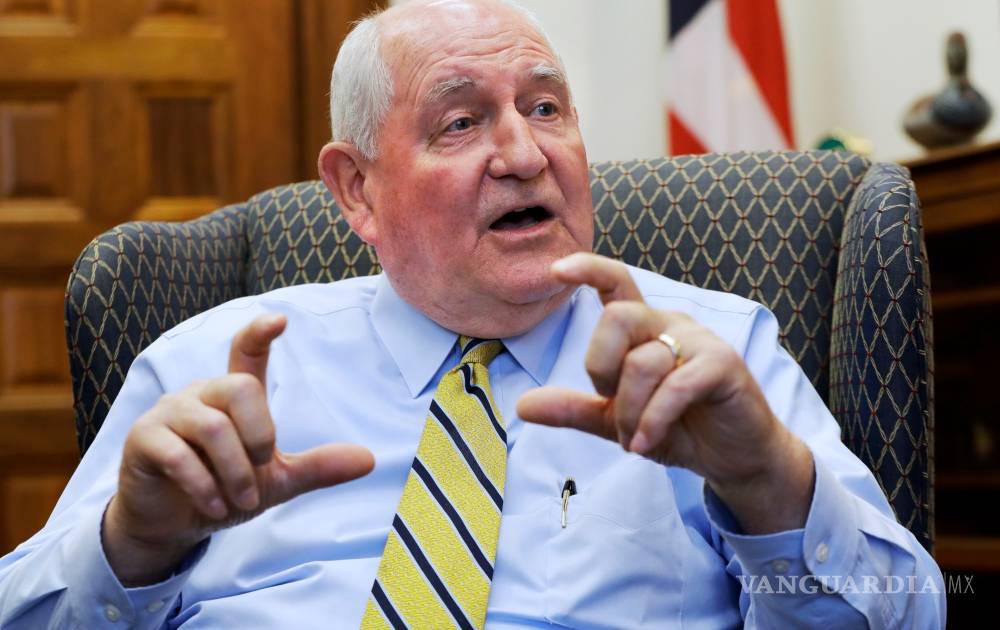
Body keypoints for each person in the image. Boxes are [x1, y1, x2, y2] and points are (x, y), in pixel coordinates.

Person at [0, 0, 944, 627]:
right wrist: (134, 543)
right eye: (460, 122)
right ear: (357, 188)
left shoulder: (712, 352)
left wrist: (767, 480)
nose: (525, 155)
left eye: (547, 108)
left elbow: (907, 612)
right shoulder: (212, 365)